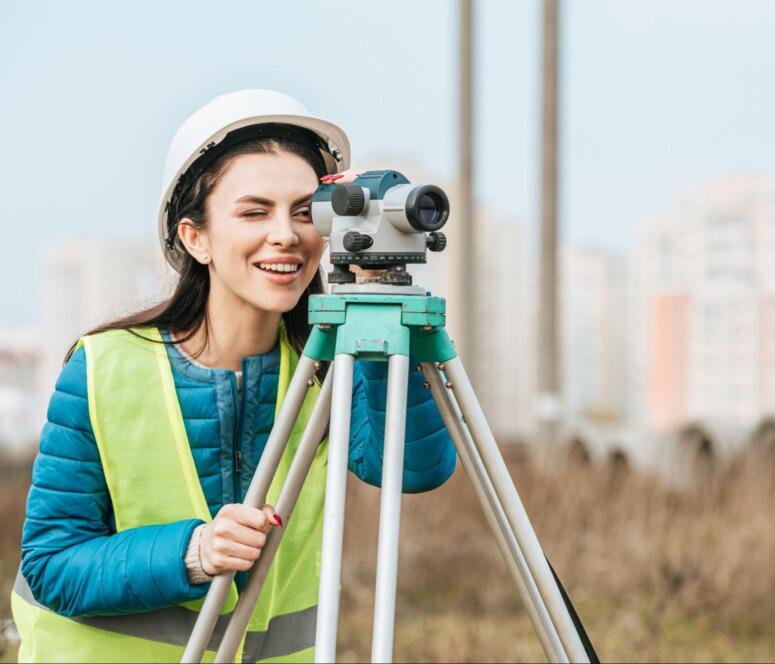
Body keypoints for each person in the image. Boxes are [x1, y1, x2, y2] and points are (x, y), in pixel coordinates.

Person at [11, 89, 456, 662]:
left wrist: (373, 298)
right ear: (194, 237)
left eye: (305, 212)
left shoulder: (327, 370)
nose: (286, 235)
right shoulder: (104, 366)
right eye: (254, 211)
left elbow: (412, 470)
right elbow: (51, 565)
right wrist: (194, 551)